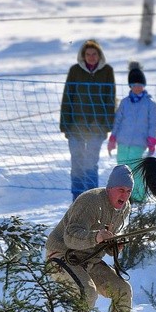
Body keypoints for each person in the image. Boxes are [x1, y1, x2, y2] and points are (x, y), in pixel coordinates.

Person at [45, 164, 134, 312]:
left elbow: (105, 241)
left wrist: (113, 246)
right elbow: (70, 237)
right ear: (109, 188)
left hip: (89, 260)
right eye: (121, 190)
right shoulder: (90, 201)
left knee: (123, 290)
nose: (125, 195)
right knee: (87, 292)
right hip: (61, 256)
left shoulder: (125, 208)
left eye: (129, 191)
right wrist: (97, 237)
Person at [60, 39, 116, 201]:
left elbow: (110, 99)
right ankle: (77, 199)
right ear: (83, 56)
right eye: (88, 54)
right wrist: (65, 125)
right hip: (75, 127)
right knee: (77, 164)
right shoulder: (75, 71)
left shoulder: (106, 71)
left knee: (91, 164)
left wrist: (106, 125)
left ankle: (91, 199)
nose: (91, 57)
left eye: (94, 54)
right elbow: (67, 97)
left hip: (96, 128)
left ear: (99, 55)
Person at [107, 61, 156, 204]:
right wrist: (113, 137)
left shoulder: (150, 104)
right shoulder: (125, 103)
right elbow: (118, 120)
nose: (137, 88)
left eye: (140, 85)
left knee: (136, 169)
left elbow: (153, 123)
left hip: (138, 143)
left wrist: (152, 139)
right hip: (123, 142)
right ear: (130, 85)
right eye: (134, 85)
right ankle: (121, 197)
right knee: (122, 169)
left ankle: (138, 196)